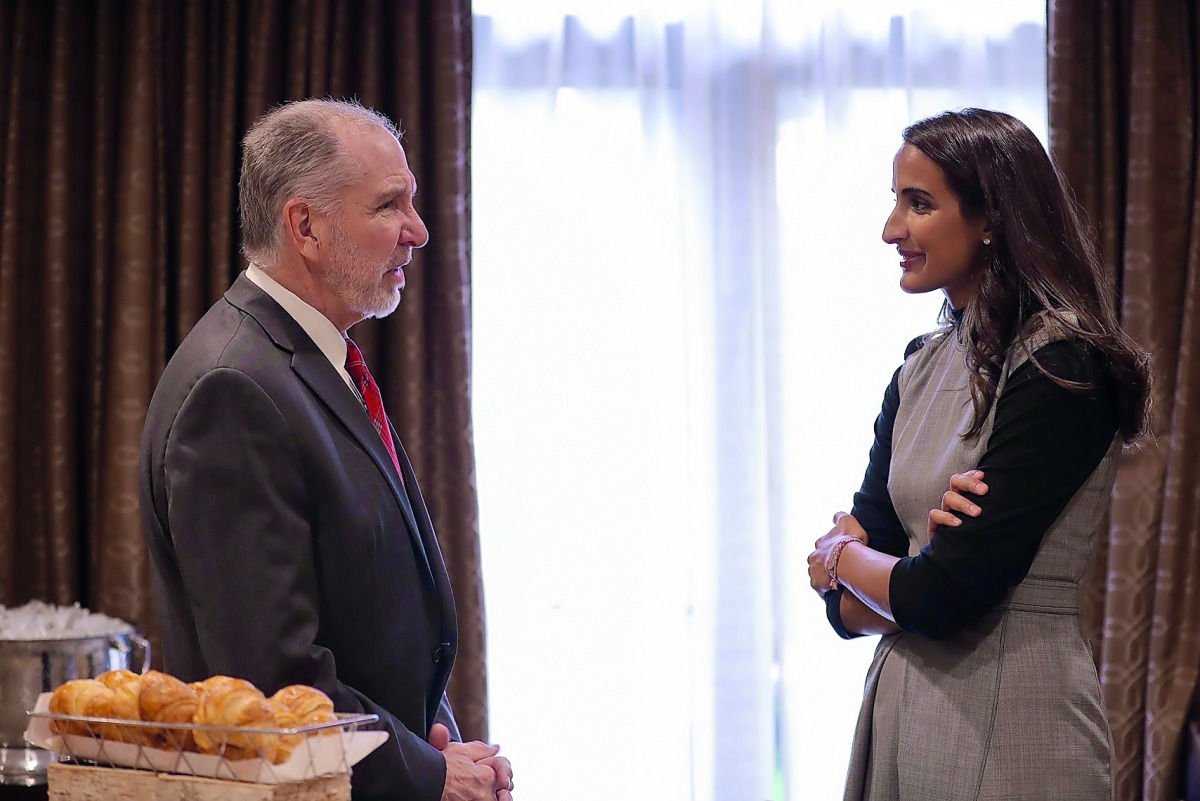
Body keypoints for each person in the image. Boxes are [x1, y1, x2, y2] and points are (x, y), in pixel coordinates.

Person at [139, 99, 514, 801]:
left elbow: (379, 620)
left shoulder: (315, 361)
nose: (419, 231)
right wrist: (429, 774)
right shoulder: (233, 387)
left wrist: (440, 744)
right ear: (305, 226)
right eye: (389, 205)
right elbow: (274, 678)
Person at [806, 108, 1151, 800]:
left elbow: (944, 593)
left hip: (1016, 719)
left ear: (990, 216)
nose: (891, 229)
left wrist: (841, 558)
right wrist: (904, 573)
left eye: (919, 203)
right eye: (895, 201)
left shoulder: (1064, 362)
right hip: (902, 713)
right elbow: (848, 613)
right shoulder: (916, 371)